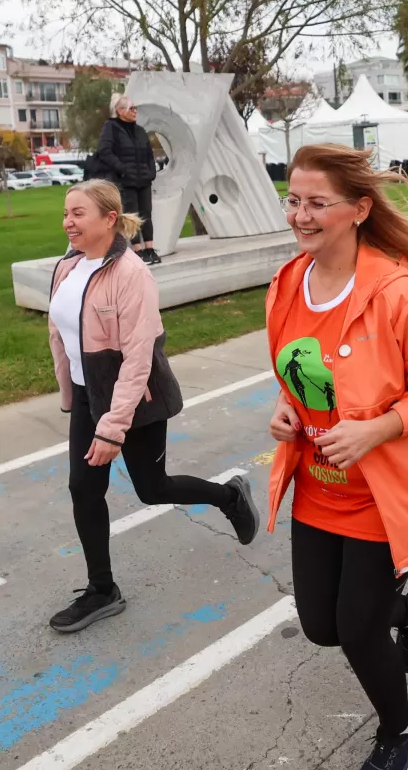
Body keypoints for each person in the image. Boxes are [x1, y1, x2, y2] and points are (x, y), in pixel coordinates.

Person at [264, 144, 408, 770]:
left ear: (359, 210)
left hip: (382, 496)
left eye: (317, 202)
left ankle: (399, 728)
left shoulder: (401, 297)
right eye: (294, 199)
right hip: (318, 489)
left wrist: (376, 428)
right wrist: (285, 412)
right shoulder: (286, 285)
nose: (301, 213)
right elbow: (296, 371)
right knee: (322, 625)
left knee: (354, 629)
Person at [49, 180, 258, 633]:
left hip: (135, 399)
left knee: (153, 488)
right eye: (66, 213)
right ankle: (102, 589)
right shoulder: (67, 267)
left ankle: (229, 496)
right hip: (90, 397)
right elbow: (61, 335)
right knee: (83, 489)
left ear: (109, 218)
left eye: (78, 213)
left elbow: (138, 357)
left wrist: (112, 427)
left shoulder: (130, 273)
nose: (68, 221)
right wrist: (72, 393)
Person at [88, 94, 161, 265]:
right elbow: (105, 151)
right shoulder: (111, 127)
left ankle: (150, 249)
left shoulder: (140, 131)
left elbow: (149, 154)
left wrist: (151, 172)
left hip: (144, 180)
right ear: (120, 111)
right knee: (131, 216)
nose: (135, 111)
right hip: (126, 181)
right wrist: (123, 169)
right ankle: (138, 251)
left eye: (135, 108)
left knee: (147, 214)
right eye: (131, 108)